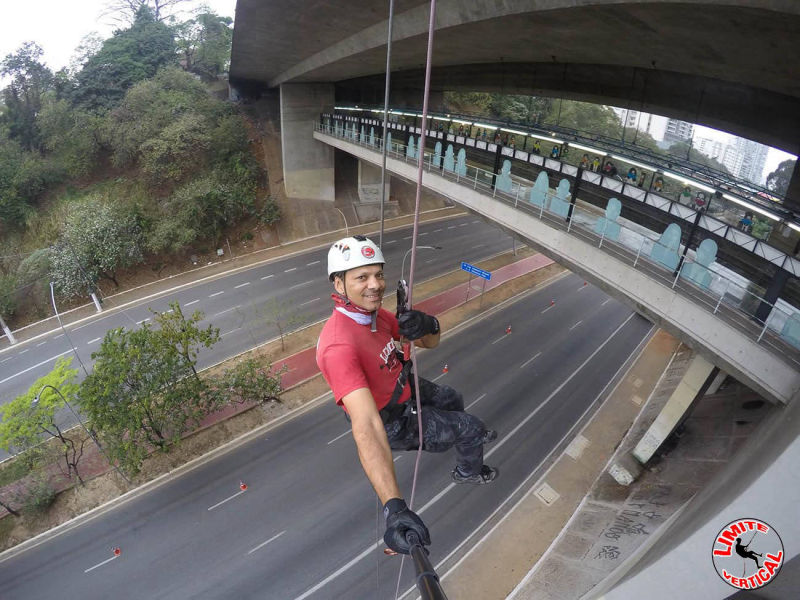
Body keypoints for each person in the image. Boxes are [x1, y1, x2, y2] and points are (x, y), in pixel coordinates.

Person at [316, 236, 498, 555]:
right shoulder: (339, 348)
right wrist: (394, 507)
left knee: (452, 398)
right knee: (471, 428)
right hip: (393, 421)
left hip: (404, 389)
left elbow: (431, 343)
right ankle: (468, 472)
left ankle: (462, 438)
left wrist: (429, 323)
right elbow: (367, 426)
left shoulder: (375, 316)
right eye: (362, 277)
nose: (375, 285)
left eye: (379, 274)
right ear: (339, 284)